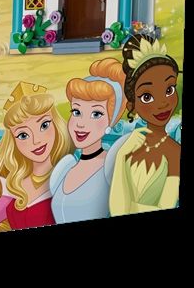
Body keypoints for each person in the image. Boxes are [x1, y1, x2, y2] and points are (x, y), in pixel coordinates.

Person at [0, 83, 71, 235]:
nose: (36, 141)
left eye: (44, 125)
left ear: (56, 124)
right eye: (23, 135)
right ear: (13, 141)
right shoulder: (14, 187)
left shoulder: (67, 175)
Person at [108, 36, 181, 215]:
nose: (162, 103)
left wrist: (128, 205)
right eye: (147, 97)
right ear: (132, 105)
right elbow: (115, 208)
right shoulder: (129, 145)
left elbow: (166, 205)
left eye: (169, 90)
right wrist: (122, 157)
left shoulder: (174, 152)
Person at [49, 58, 127, 224]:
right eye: (76, 112)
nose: (81, 123)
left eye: (96, 114)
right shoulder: (65, 167)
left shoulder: (112, 165)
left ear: (111, 121)